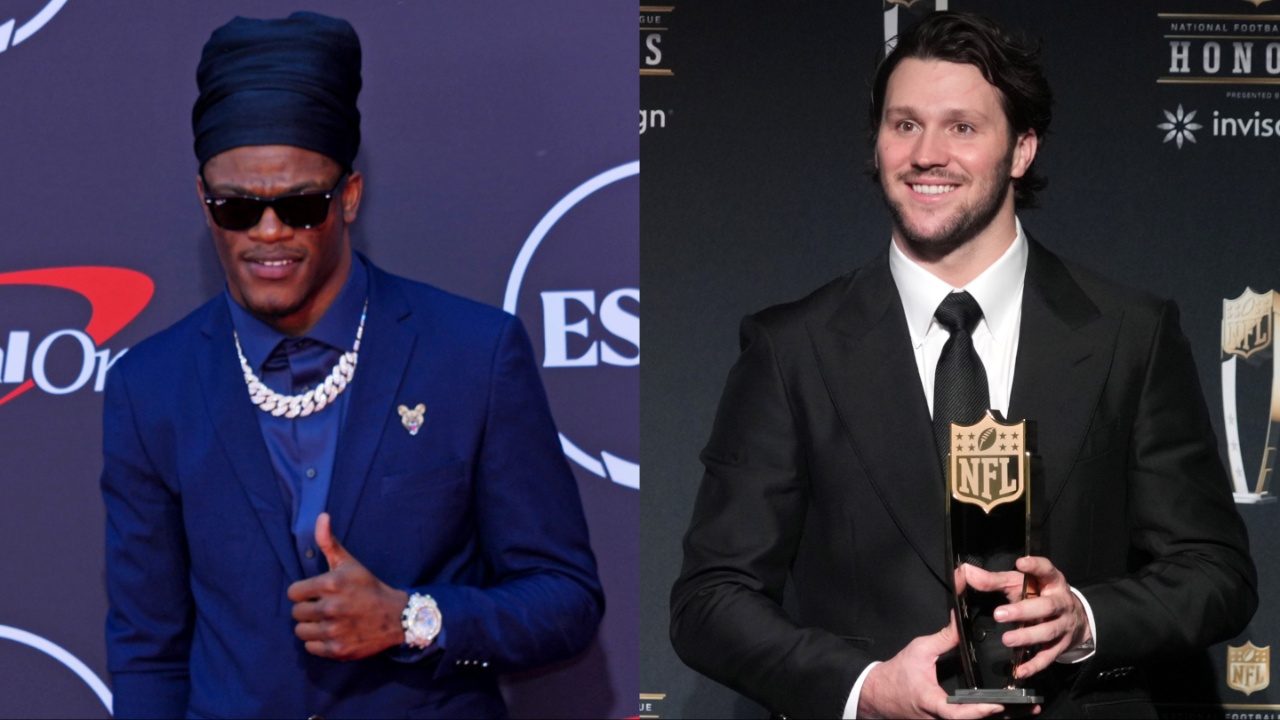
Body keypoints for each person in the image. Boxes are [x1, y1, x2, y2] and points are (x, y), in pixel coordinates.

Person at [669, 11, 1256, 719]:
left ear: (1021, 149)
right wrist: (866, 686)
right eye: (904, 124)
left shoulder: (1131, 334)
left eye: (963, 127)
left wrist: (1085, 621)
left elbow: (1215, 572)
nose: (926, 153)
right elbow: (710, 599)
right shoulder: (792, 349)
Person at [101, 12, 602, 718]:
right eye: (237, 207)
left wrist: (409, 619)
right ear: (204, 202)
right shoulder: (149, 386)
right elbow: (147, 648)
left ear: (350, 198)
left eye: (300, 204)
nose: (267, 233)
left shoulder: (471, 353)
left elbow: (565, 598)